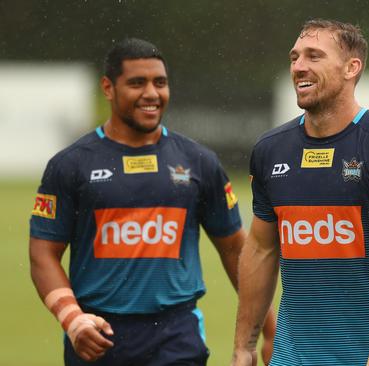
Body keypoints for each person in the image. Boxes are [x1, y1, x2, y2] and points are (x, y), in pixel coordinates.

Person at [29, 38, 275, 366]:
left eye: (160, 83)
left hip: (177, 335)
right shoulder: (70, 165)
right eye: (136, 83)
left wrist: (272, 331)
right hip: (97, 334)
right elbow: (43, 253)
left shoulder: (199, 162)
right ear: (108, 87)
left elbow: (236, 249)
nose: (151, 94)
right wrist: (72, 319)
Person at [230, 19, 369, 366]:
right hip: (292, 359)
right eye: (294, 57)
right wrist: (244, 346)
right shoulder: (270, 150)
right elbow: (261, 250)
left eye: (314, 56)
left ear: (351, 68)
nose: (298, 67)